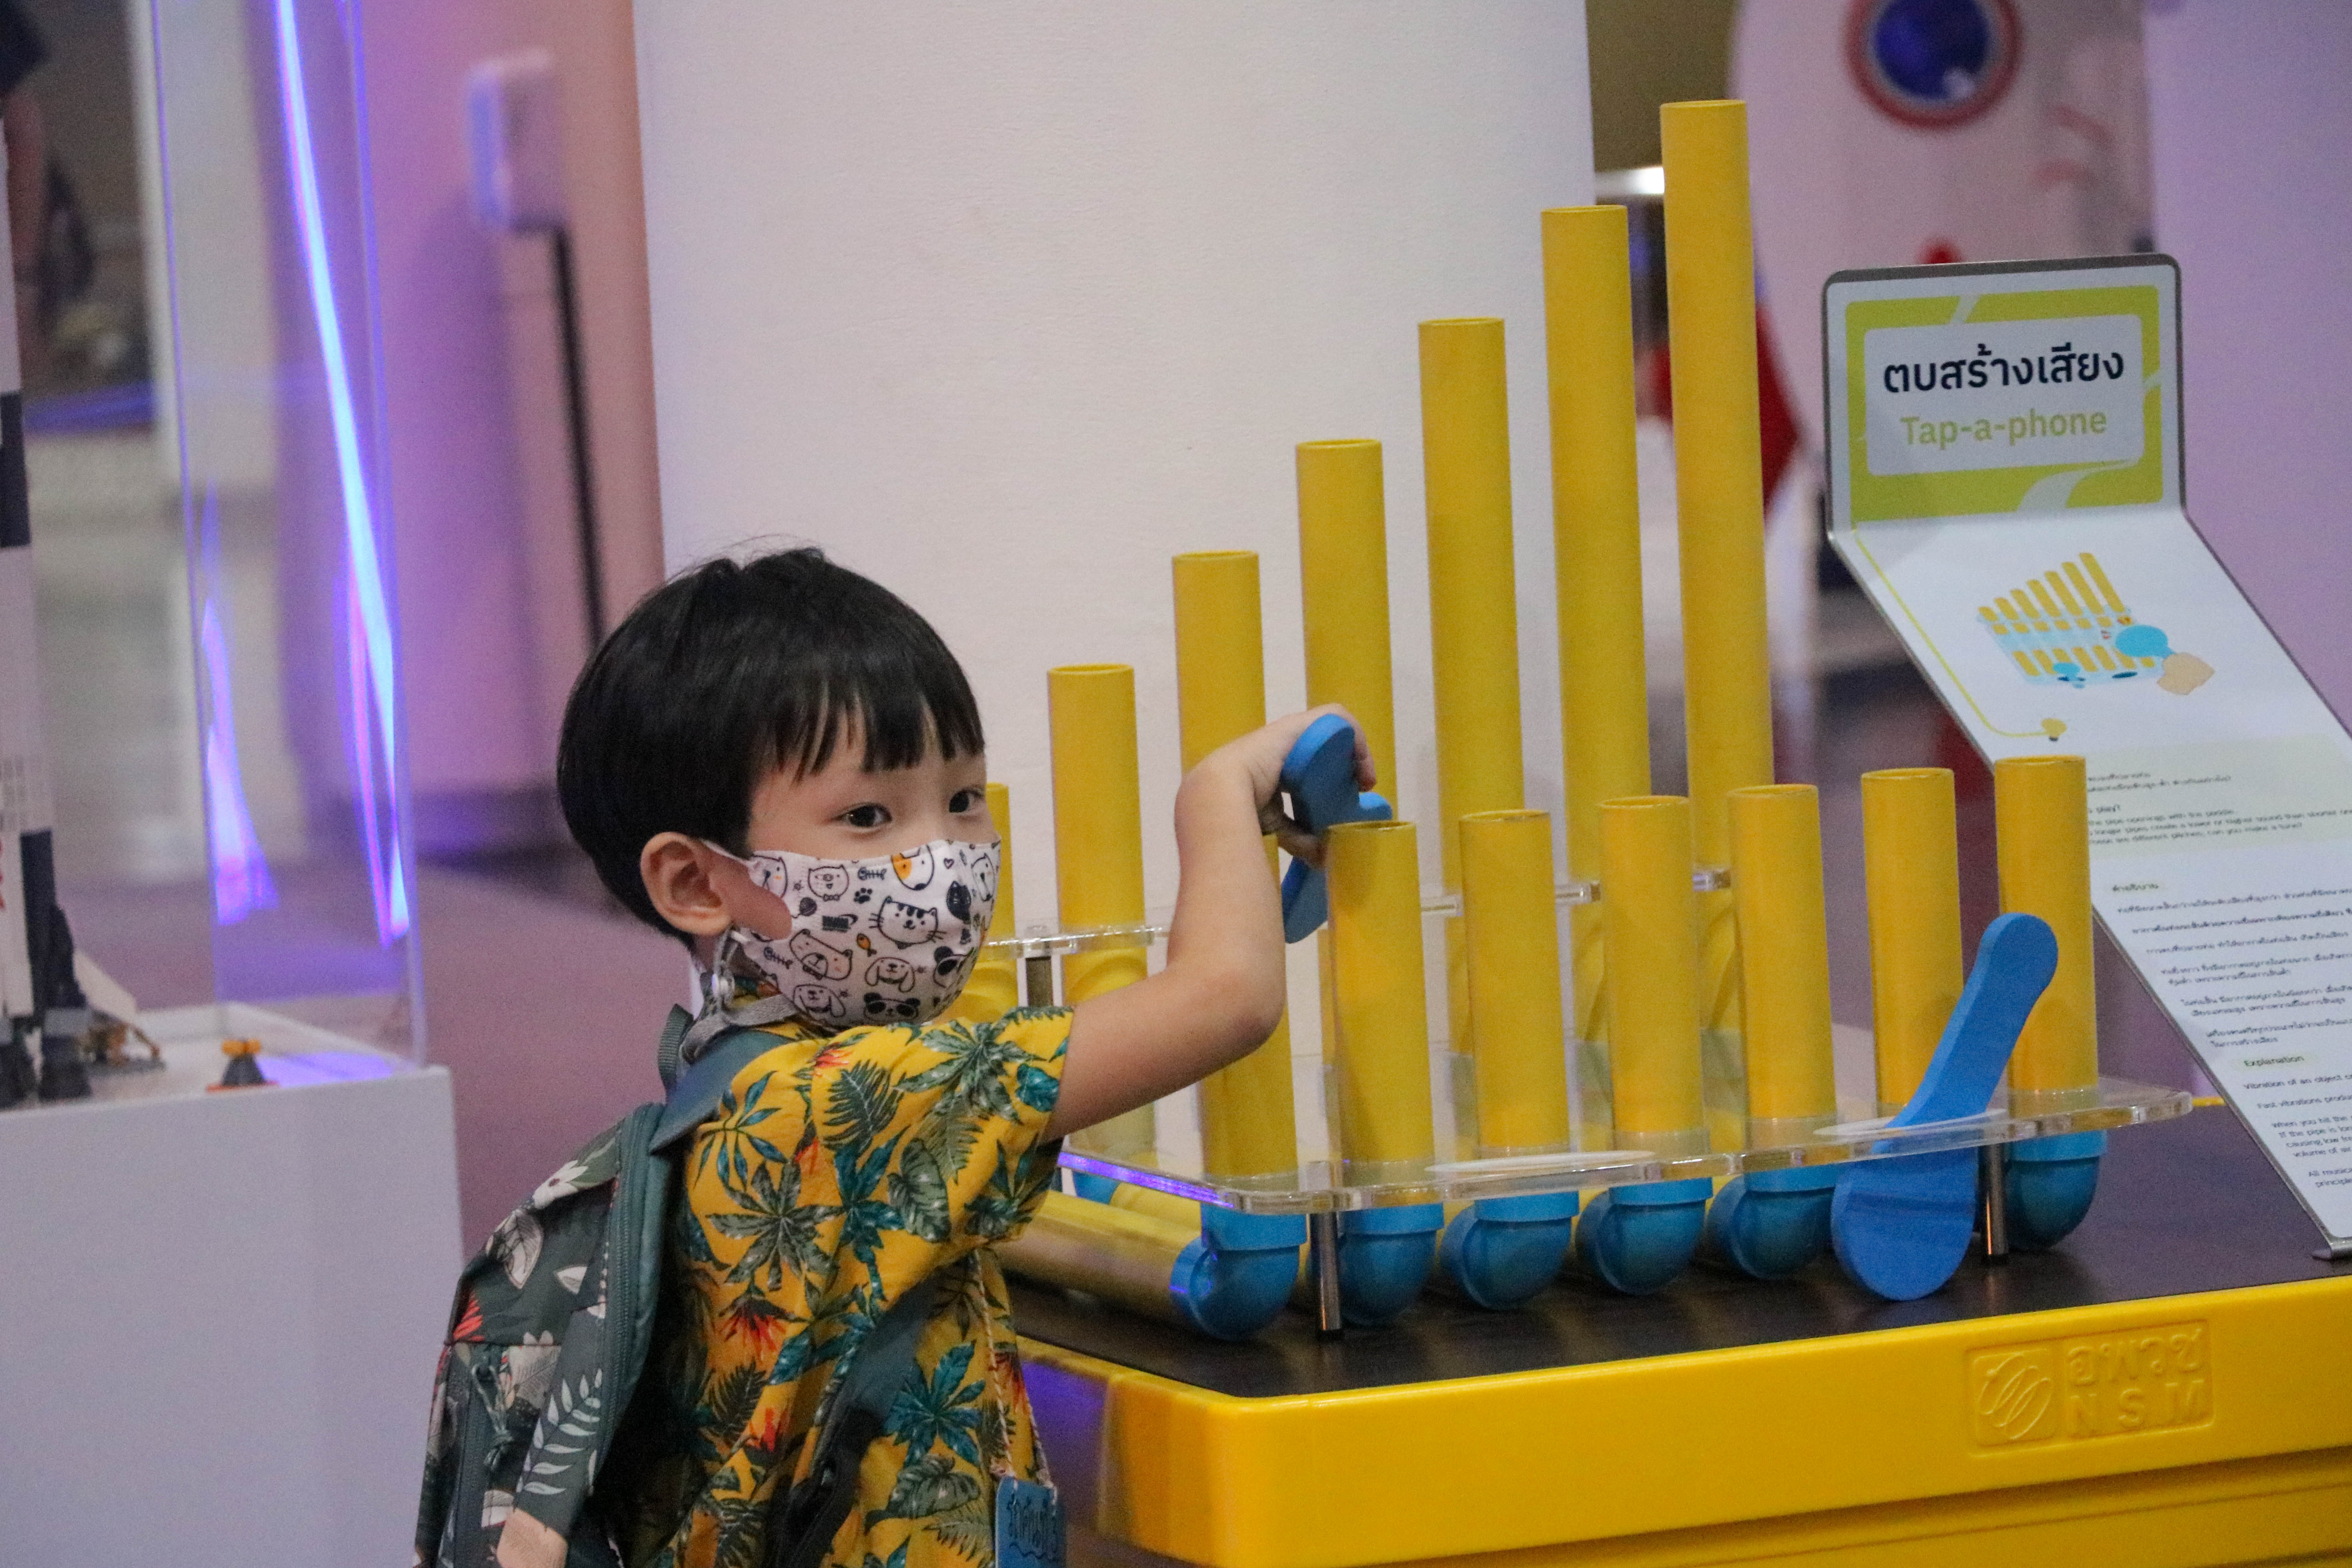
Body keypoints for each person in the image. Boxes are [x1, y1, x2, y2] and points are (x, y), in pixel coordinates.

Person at [553, 546, 1361, 1568]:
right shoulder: (846, 1099)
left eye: (965, 799)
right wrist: (1221, 793)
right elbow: (1225, 1000)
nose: (941, 859)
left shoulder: (735, 1077)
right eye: (868, 816)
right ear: (696, 883)